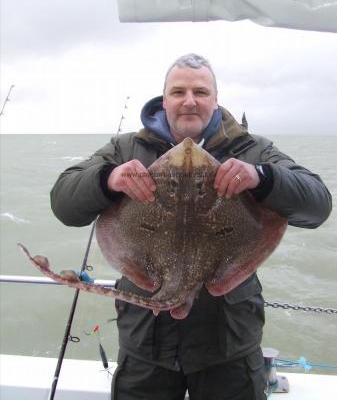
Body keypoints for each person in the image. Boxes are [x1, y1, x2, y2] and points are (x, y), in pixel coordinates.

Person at [50, 54, 332, 400]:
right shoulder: (126, 148)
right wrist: (107, 179)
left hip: (228, 344)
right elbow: (64, 203)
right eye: (178, 91)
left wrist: (262, 177)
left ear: (215, 101)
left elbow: (318, 206)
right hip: (145, 343)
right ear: (164, 99)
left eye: (200, 92)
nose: (189, 100)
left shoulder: (251, 149)